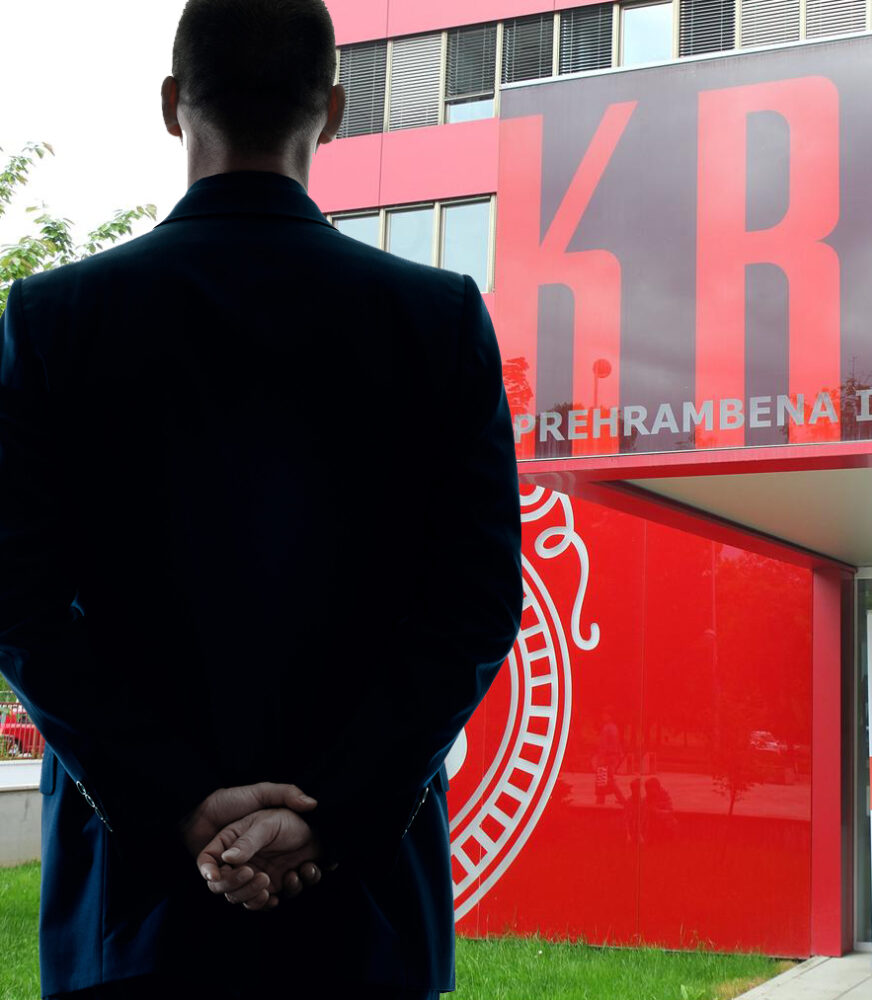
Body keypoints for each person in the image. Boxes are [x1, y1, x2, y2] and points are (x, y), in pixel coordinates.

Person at [0, 0, 523, 996]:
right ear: (333, 109)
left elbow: (17, 603)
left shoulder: (54, 320)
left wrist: (175, 802)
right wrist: (335, 812)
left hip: (130, 911)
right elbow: (475, 606)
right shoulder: (439, 321)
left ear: (171, 104)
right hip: (363, 916)